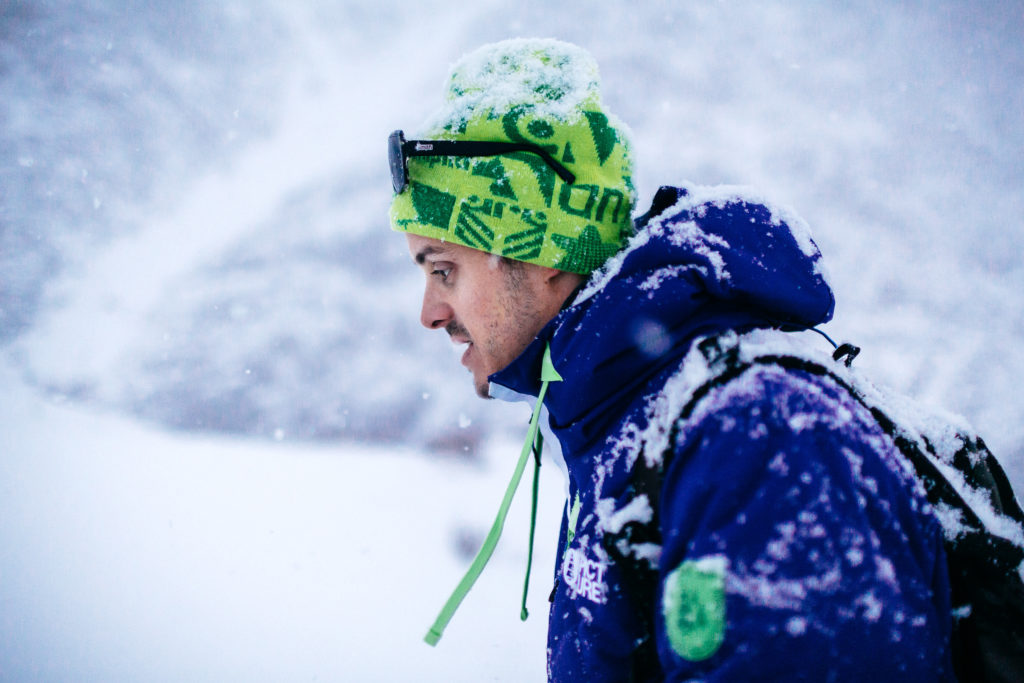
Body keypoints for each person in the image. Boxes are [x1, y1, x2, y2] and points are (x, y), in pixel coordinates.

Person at [388, 39, 954, 681]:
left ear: (542, 251)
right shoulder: (618, 419)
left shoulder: (757, 436)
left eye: (444, 269)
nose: (430, 312)